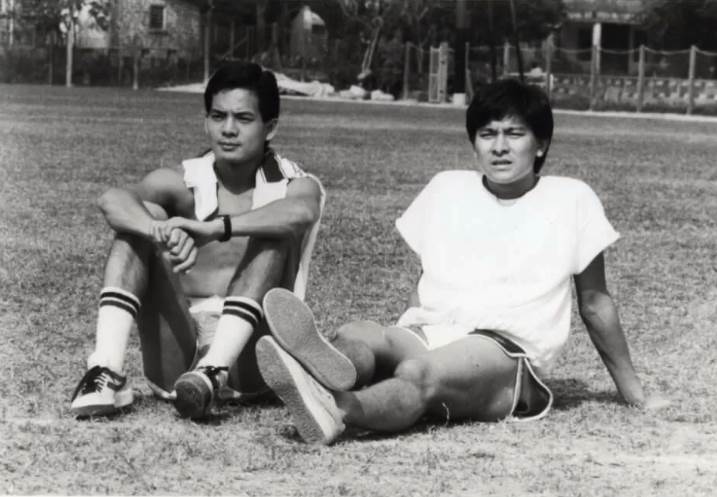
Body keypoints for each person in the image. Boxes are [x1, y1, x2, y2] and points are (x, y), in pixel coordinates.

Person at [255, 78, 668, 445]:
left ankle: (337, 408)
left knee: (420, 373)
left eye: (514, 134)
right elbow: (428, 278)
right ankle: (329, 368)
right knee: (359, 335)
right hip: (433, 328)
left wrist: (634, 392)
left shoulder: (571, 198)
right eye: (487, 134)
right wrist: (397, 338)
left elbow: (595, 303)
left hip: (505, 350)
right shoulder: (448, 187)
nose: (499, 147)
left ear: (540, 144)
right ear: (474, 142)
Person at [69, 61, 324, 420]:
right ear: (206, 122)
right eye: (218, 117)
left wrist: (216, 228)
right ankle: (106, 368)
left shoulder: (292, 182)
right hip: (180, 349)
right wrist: (157, 230)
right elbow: (112, 200)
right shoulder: (185, 179)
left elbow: (301, 212)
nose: (228, 129)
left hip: (250, 357)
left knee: (274, 230)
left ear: (270, 128)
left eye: (243, 118)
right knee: (143, 217)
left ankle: (214, 369)